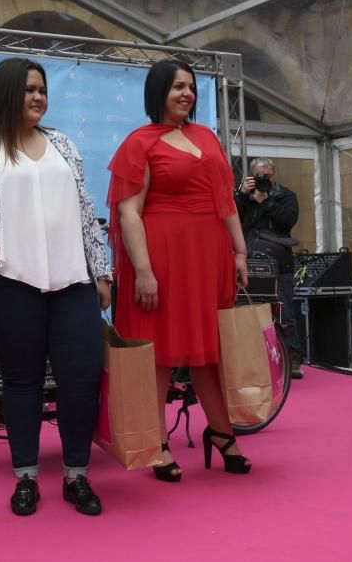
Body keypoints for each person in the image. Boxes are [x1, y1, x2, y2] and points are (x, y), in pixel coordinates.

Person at [0, 58, 112, 516]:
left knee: (81, 375)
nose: (37, 97)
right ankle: (26, 477)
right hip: (7, 278)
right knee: (22, 378)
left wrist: (102, 270)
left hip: (72, 276)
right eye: (29, 89)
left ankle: (76, 475)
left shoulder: (63, 145)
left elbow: (86, 207)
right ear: (6, 93)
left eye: (42, 90)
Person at [108, 60, 252, 482]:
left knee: (211, 351)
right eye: (176, 87)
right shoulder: (139, 143)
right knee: (159, 357)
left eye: (190, 87)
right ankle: (157, 443)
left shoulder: (206, 136)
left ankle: (223, 434)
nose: (186, 94)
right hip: (162, 260)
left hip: (210, 258)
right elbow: (129, 212)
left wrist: (240, 252)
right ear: (158, 93)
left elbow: (225, 201)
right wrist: (144, 271)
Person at [235, 157, 304, 379]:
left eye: (268, 175)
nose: (265, 179)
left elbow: (288, 221)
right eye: (259, 176)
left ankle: (292, 357)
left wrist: (266, 201)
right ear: (251, 176)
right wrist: (241, 195)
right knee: (248, 309)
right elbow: (231, 218)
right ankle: (252, 357)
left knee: (284, 309)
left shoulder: (286, 195)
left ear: (274, 173)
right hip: (249, 259)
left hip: (279, 260)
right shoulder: (245, 195)